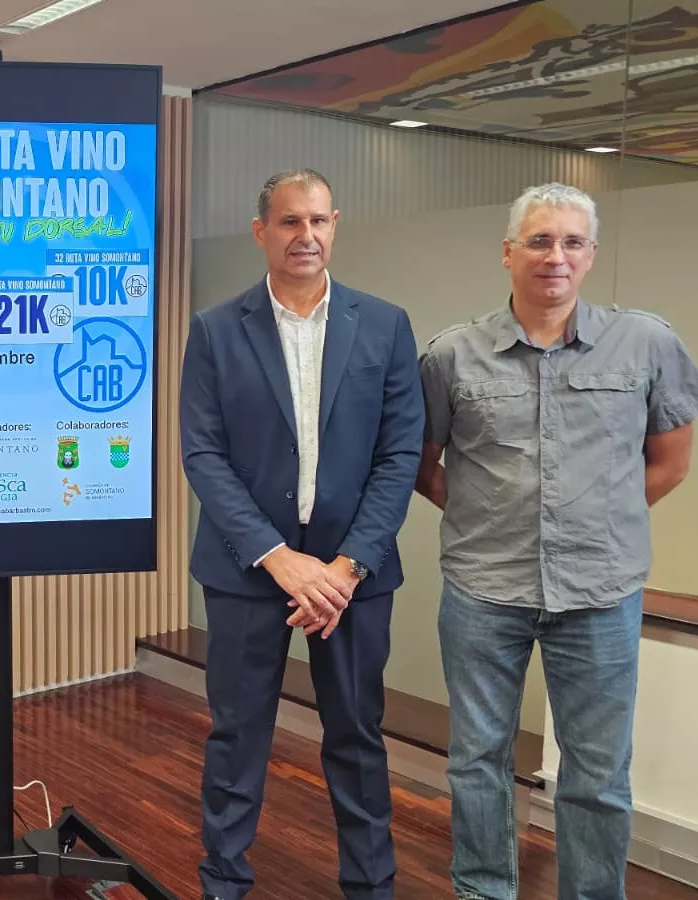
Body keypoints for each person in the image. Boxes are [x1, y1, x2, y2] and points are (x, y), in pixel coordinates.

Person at [416, 183, 698, 900]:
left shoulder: (647, 342)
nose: (556, 256)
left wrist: (595, 520)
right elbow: (422, 468)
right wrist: (494, 518)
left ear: (591, 255)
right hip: (485, 592)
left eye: (572, 242)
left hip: (601, 594)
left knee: (599, 773)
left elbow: (670, 463)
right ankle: (484, 891)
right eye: (541, 240)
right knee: (477, 760)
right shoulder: (452, 356)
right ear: (509, 251)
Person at [180, 169, 424, 900]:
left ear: (336, 225)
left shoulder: (384, 324)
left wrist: (345, 569)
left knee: (356, 736)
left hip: (356, 580)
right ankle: (223, 882)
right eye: (290, 222)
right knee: (237, 736)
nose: (306, 236)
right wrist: (282, 559)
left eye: (318, 221)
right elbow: (203, 454)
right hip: (249, 572)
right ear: (262, 231)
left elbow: (400, 454)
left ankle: (370, 885)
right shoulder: (217, 329)